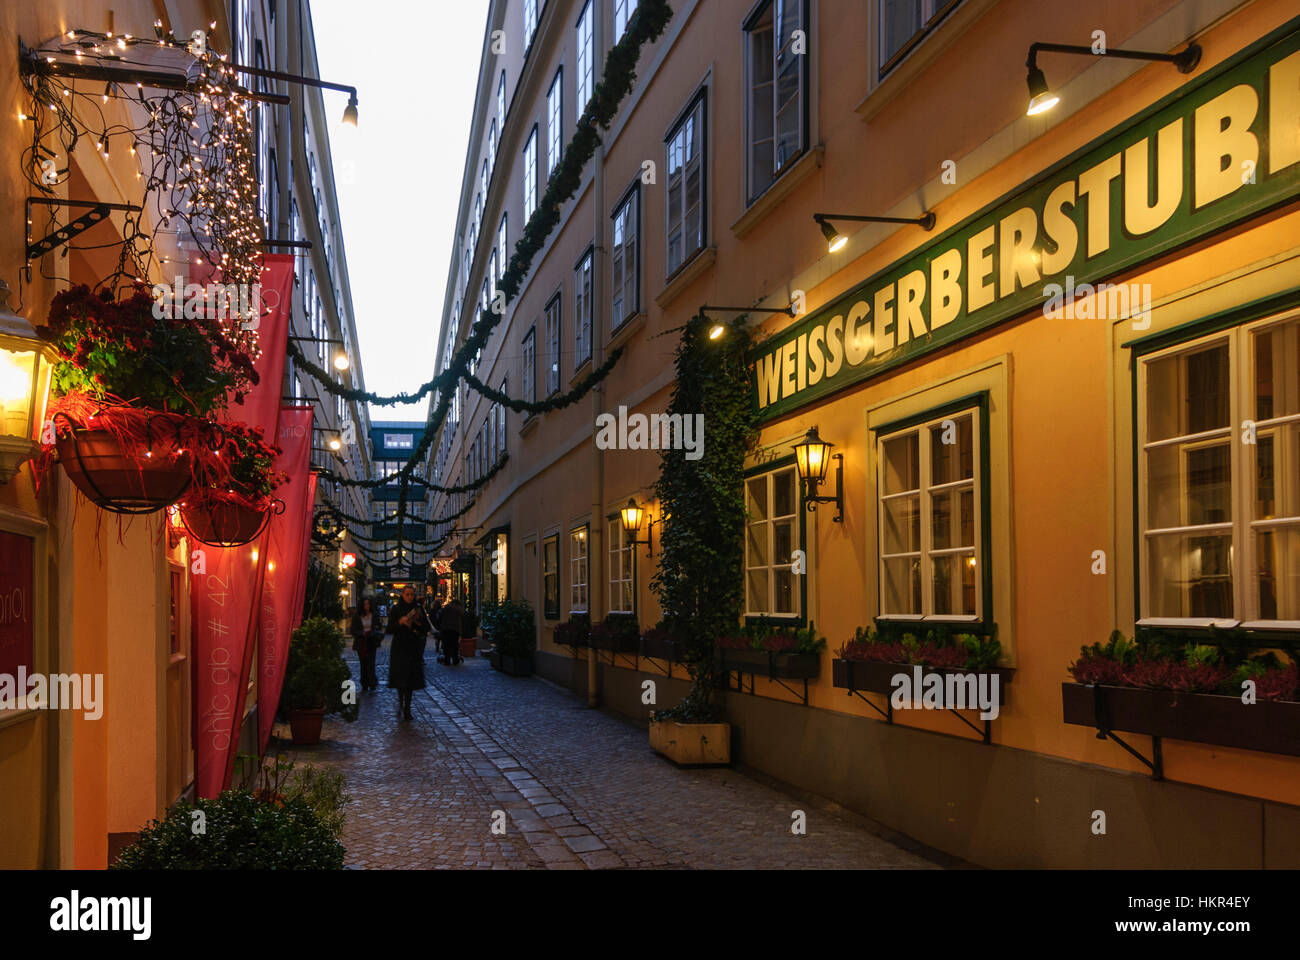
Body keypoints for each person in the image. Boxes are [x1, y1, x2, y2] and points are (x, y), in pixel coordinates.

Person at [386, 586, 431, 721]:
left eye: (411, 595)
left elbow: (426, 628)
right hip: (400, 647)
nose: (410, 597)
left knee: (410, 680)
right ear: (403, 595)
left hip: (413, 647)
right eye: (407, 594)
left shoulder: (418, 609)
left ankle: (407, 708)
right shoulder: (396, 609)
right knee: (401, 679)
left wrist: (416, 623)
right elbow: (389, 629)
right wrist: (400, 622)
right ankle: (401, 702)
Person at [350, 598, 380, 692]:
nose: (367, 606)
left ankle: (372, 682)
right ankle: (364, 683)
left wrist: (374, 631)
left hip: (371, 641)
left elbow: (378, 625)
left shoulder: (374, 615)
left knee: (371, 663)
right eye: (365, 604)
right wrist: (361, 633)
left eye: (368, 604)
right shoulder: (357, 616)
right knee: (363, 663)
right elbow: (353, 630)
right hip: (361, 642)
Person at [438, 597, 464, 665]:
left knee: (446, 645)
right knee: (454, 645)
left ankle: (447, 660)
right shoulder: (459, 609)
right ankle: (455, 660)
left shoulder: (446, 607)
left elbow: (440, 616)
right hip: (455, 629)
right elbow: (462, 617)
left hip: (446, 628)